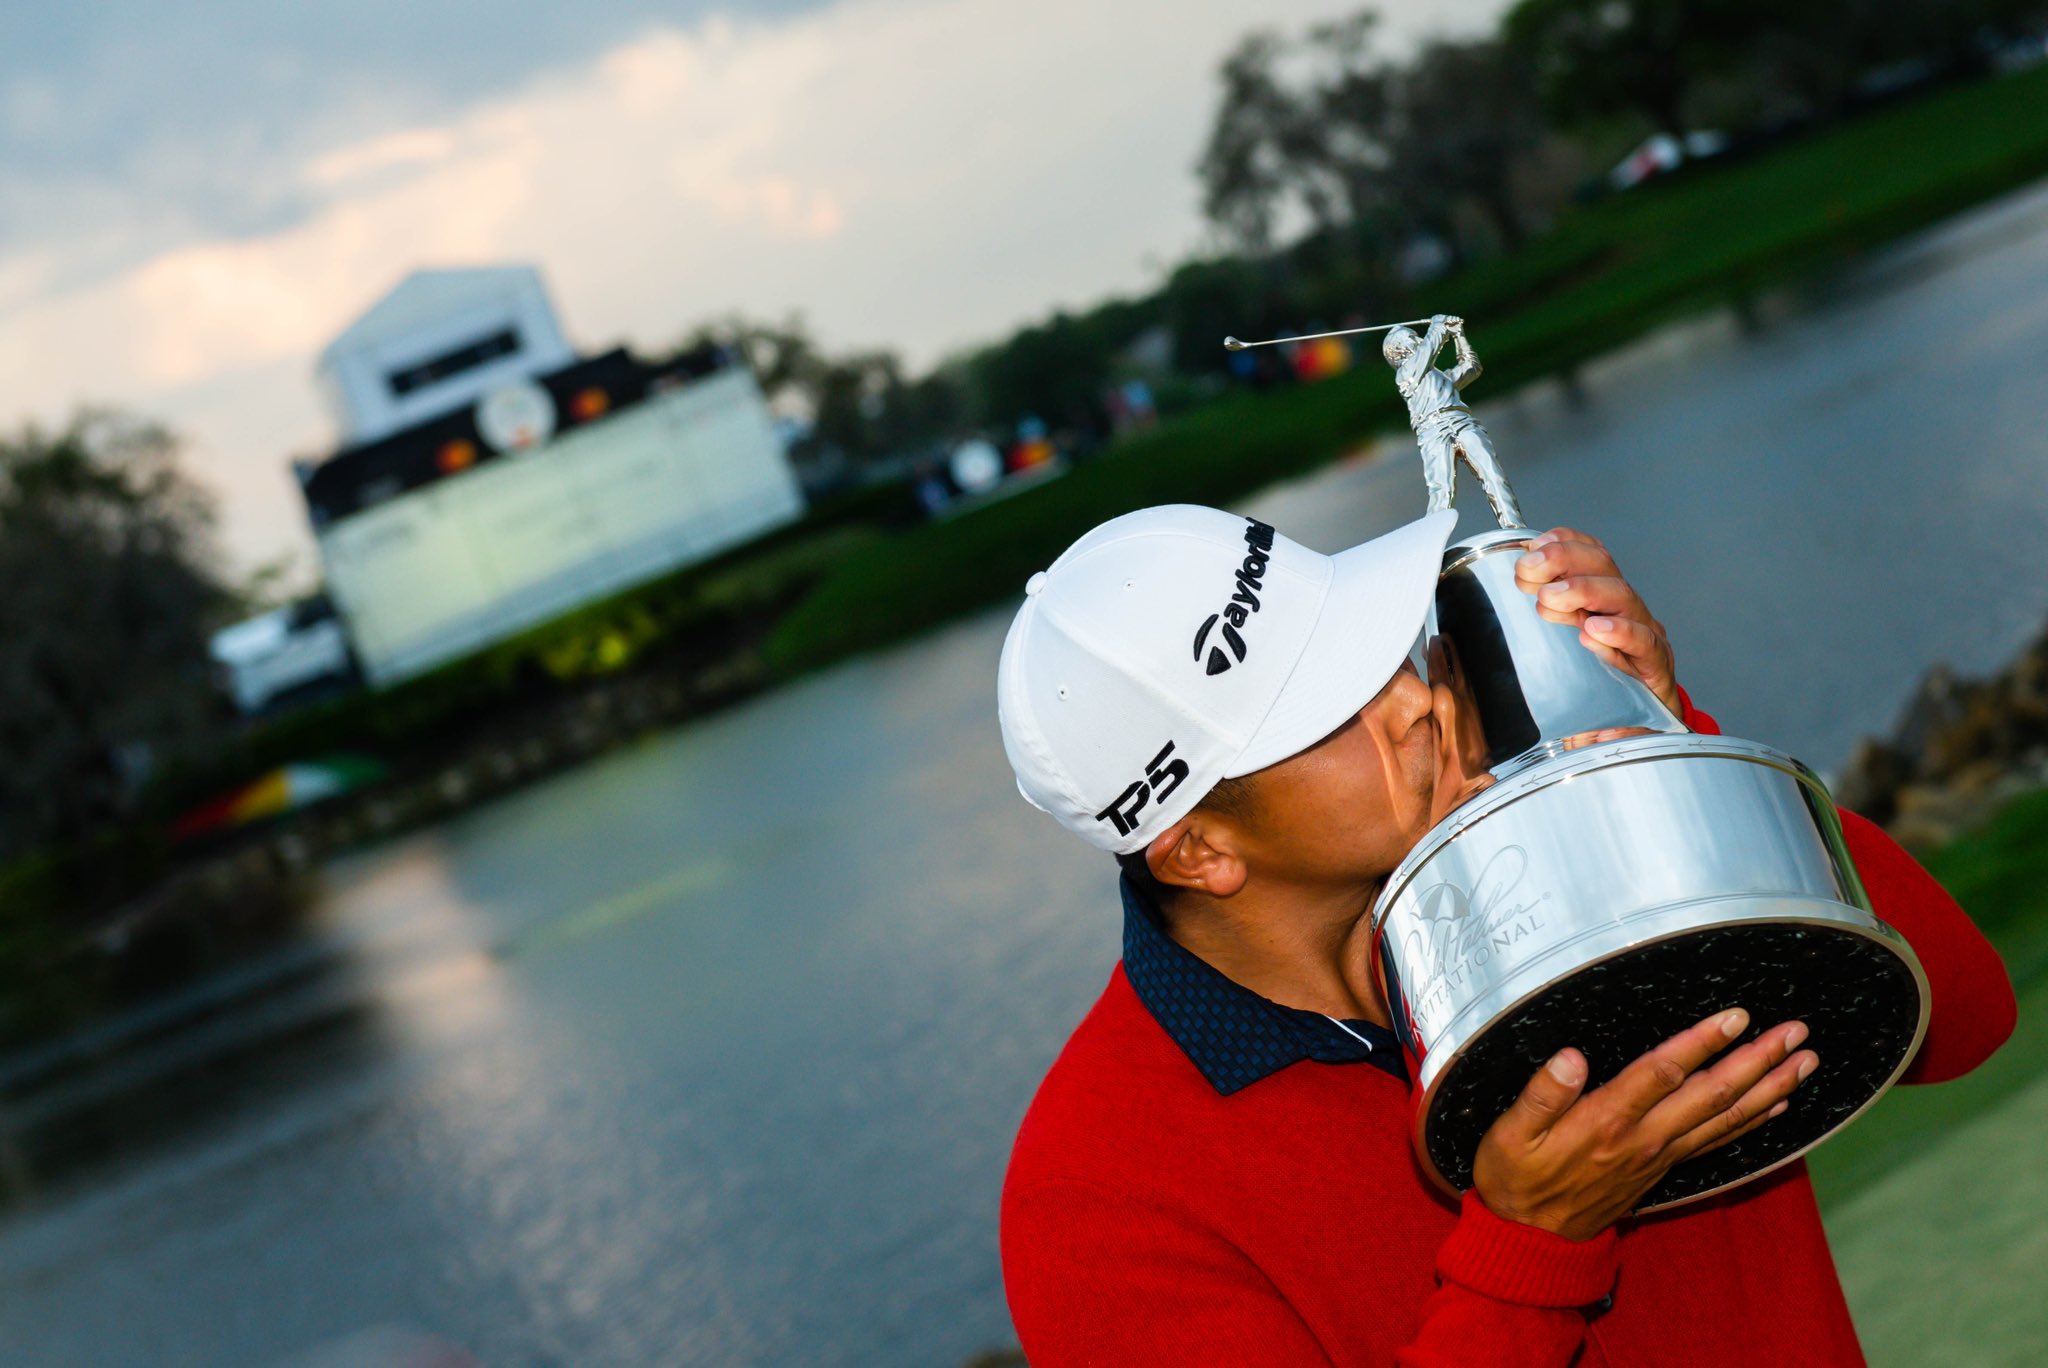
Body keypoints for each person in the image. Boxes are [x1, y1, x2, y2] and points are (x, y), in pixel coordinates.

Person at [994, 504, 2015, 1366]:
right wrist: (1531, 1246)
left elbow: (1961, 1017)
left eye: (1376, 652)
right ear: (1199, 850)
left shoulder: (1587, 849)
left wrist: (1659, 739)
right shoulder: (1093, 1198)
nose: (1408, 701)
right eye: (1327, 706)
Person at [1384, 316, 1524, 529]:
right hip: (1433, 432)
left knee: (1493, 475)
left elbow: (1471, 368)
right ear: (1400, 349)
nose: (1420, 339)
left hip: (1462, 421)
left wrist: (1459, 335)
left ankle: (1515, 528)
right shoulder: (1406, 373)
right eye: (1413, 337)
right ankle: (1429, 544)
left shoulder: (1439, 378)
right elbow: (1429, 348)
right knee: (1442, 493)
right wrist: (1438, 325)